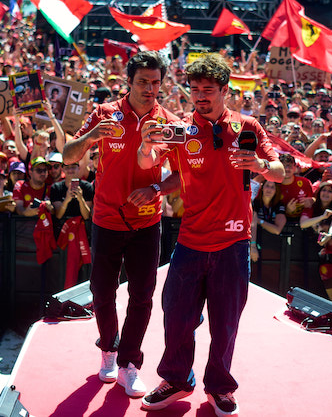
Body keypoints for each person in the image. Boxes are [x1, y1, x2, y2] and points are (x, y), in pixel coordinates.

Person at [137, 53, 284, 415]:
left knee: (225, 323)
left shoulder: (247, 127)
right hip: (190, 242)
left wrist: (260, 165)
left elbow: (279, 170)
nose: (200, 96)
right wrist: (147, 154)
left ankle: (219, 387)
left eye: (208, 90)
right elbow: (152, 164)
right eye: (195, 89)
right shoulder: (180, 129)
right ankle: (176, 379)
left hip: (233, 245)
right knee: (176, 316)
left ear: (224, 90)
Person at [63, 51, 182, 398]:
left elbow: (181, 177)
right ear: (128, 81)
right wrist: (90, 138)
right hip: (106, 219)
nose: (150, 89)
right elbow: (69, 155)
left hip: (147, 222)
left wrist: (155, 188)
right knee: (101, 291)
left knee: (142, 296)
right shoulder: (105, 113)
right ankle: (108, 351)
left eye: (156, 82)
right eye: (143, 81)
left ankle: (130, 363)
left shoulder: (169, 123)